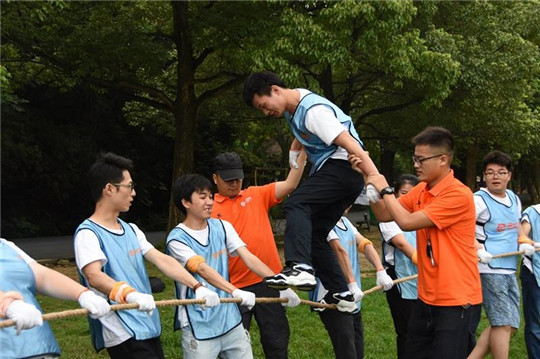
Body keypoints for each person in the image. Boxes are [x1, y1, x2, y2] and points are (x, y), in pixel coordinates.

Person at [243, 70, 381, 312]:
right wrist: (294, 150)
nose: (266, 112)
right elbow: (304, 133)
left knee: (296, 204)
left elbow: (350, 143)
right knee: (317, 232)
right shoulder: (292, 109)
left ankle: (299, 267)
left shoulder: (314, 111)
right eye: (261, 110)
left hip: (343, 168)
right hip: (340, 175)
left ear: (275, 90)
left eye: (264, 105)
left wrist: (375, 178)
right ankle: (341, 292)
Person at [351, 126, 482, 359]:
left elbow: (407, 221)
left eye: (421, 159)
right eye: (415, 158)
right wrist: (367, 175)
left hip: (456, 301)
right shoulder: (422, 189)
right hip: (426, 298)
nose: (415, 165)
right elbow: (384, 214)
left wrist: (385, 188)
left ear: (443, 159)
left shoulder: (457, 194)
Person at [74, 152, 219, 359]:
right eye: (129, 186)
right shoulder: (88, 234)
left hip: (146, 322)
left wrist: (198, 287)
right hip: (122, 330)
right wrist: (129, 294)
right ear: (109, 189)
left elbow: (163, 260)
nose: (133, 193)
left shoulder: (131, 229)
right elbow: (94, 276)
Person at [165, 174, 300, 359]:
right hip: (199, 324)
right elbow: (202, 269)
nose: (210, 202)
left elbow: (249, 258)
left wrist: (280, 285)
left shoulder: (223, 227)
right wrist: (235, 291)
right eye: (202, 197)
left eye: (210, 197)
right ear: (186, 202)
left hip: (231, 320)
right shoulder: (177, 239)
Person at [211, 151, 306, 359]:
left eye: (238, 178)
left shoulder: (257, 194)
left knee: (277, 341)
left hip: (268, 282)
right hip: (232, 288)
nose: (235, 184)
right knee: (231, 346)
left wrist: (304, 153)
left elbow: (290, 184)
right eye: (228, 180)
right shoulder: (208, 207)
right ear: (215, 178)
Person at [468, 151, 532, 359]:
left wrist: (524, 242)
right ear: (484, 177)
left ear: (509, 176)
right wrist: (479, 250)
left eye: (501, 172)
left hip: (509, 267)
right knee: (503, 322)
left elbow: (517, 230)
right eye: (490, 173)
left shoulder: (514, 198)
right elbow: (460, 230)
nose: (496, 177)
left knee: (510, 324)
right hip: (488, 268)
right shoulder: (477, 200)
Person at [1, 237, 110, 358]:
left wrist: (83, 294)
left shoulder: (6, 246)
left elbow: (41, 275)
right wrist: (8, 304)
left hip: (39, 348)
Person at [310, 207, 394, 359]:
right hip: (333, 298)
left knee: (357, 350)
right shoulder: (322, 222)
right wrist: (351, 284)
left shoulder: (346, 222)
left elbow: (365, 244)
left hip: (352, 299)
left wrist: (380, 270)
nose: (347, 204)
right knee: (347, 352)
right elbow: (339, 250)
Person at [379, 174, 419, 359]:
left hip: (424, 278)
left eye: (412, 194)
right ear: (394, 195)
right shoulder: (388, 219)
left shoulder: (421, 216)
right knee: (407, 330)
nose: (406, 198)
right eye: (403, 193)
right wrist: (421, 259)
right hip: (399, 279)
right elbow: (402, 244)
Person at [520, 203, 540, 358]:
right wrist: (527, 243)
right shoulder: (533, 212)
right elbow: (522, 236)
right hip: (534, 273)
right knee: (535, 325)